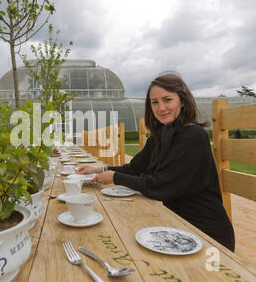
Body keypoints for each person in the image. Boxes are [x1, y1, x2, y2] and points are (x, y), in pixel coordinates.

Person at [77, 73, 235, 252]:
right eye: (155, 102)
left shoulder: (193, 136)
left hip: (204, 233)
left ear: (182, 101)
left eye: (167, 100)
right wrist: (100, 169)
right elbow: (135, 169)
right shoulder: (160, 135)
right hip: (173, 225)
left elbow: (159, 187)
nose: (161, 108)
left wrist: (115, 177)